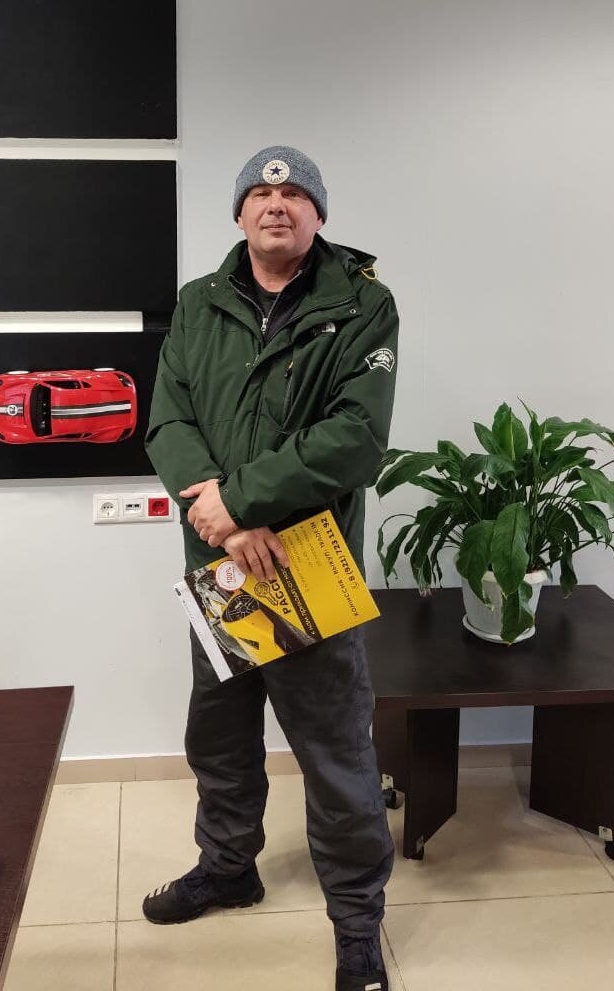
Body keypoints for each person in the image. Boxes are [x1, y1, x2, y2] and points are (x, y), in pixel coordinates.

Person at [144, 146, 399, 991]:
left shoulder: (362, 305)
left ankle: (357, 924)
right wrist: (221, 519)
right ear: (240, 213)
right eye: (259, 192)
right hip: (220, 569)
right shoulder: (199, 302)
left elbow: (354, 439)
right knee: (219, 738)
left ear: (318, 215)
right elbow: (169, 420)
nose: (275, 204)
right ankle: (228, 869)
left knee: (336, 755)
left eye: (293, 194)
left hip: (307, 566)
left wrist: (242, 502)